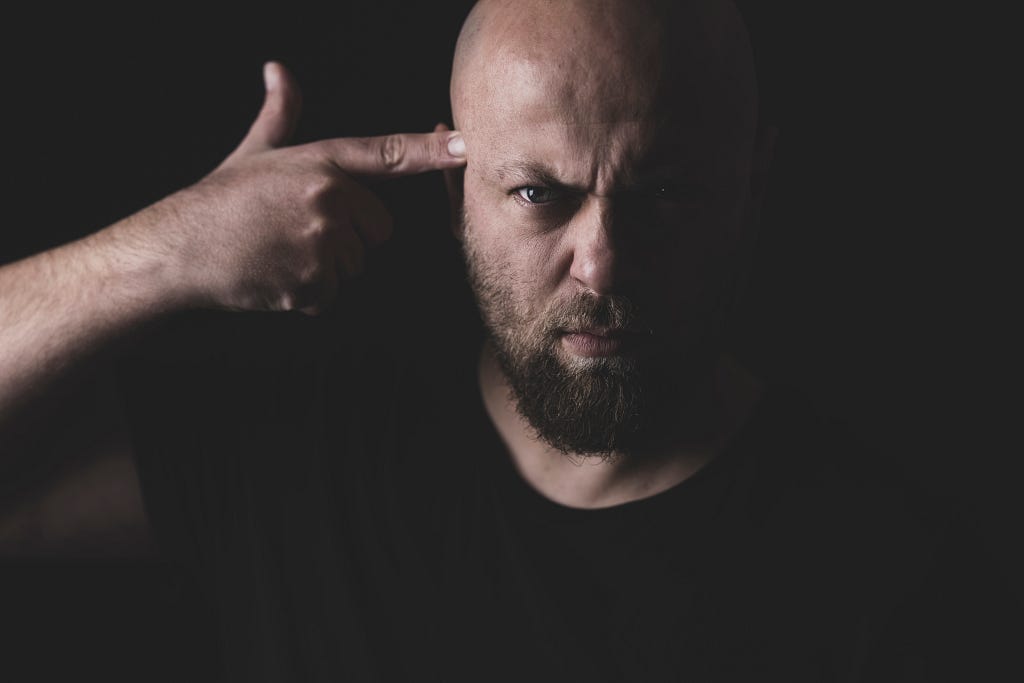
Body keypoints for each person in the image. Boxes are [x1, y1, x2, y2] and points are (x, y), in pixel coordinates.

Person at [0, 0, 1017, 681]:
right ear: (457, 193)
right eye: (538, 193)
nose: (603, 262)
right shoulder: (302, 451)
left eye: (664, 193)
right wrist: (159, 253)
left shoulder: (896, 587)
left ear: (751, 188)